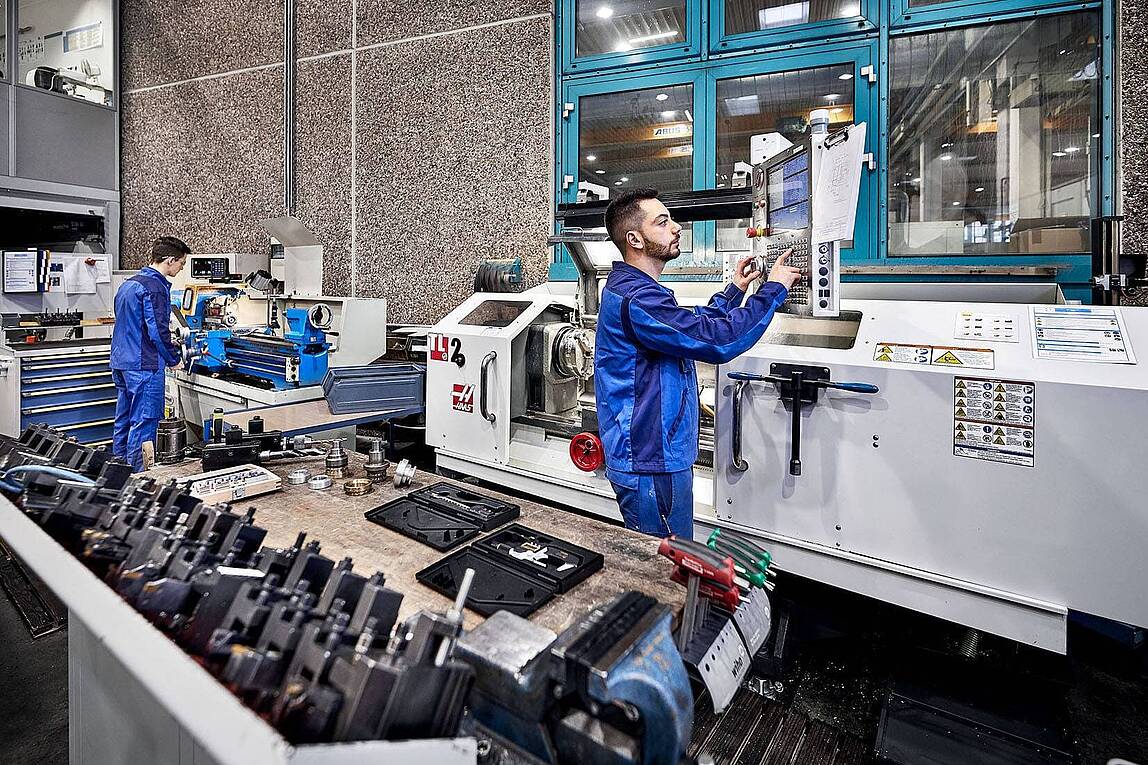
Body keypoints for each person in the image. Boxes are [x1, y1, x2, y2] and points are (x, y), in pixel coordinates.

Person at [594, 188, 802, 538]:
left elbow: (690, 325)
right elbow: (717, 340)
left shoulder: (639, 290)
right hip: (651, 461)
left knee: (667, 562)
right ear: (635, 239)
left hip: (654, 457)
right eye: (662, 223)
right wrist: (773, 289)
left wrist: (735, 290)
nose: (676, 228)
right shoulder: (637, 297)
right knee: (666, 569)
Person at [110, 236, 189, 471]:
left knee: (124, 420)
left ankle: (119, 473)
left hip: (122, 362)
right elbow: (157, 331)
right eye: (181, 264)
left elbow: (133, 325)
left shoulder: (128, 284)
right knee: (144, 423)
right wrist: (174, 359)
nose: (182, 268)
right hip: (144, 365)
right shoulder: (155, 287)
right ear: (169, 260)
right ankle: (138, 477)